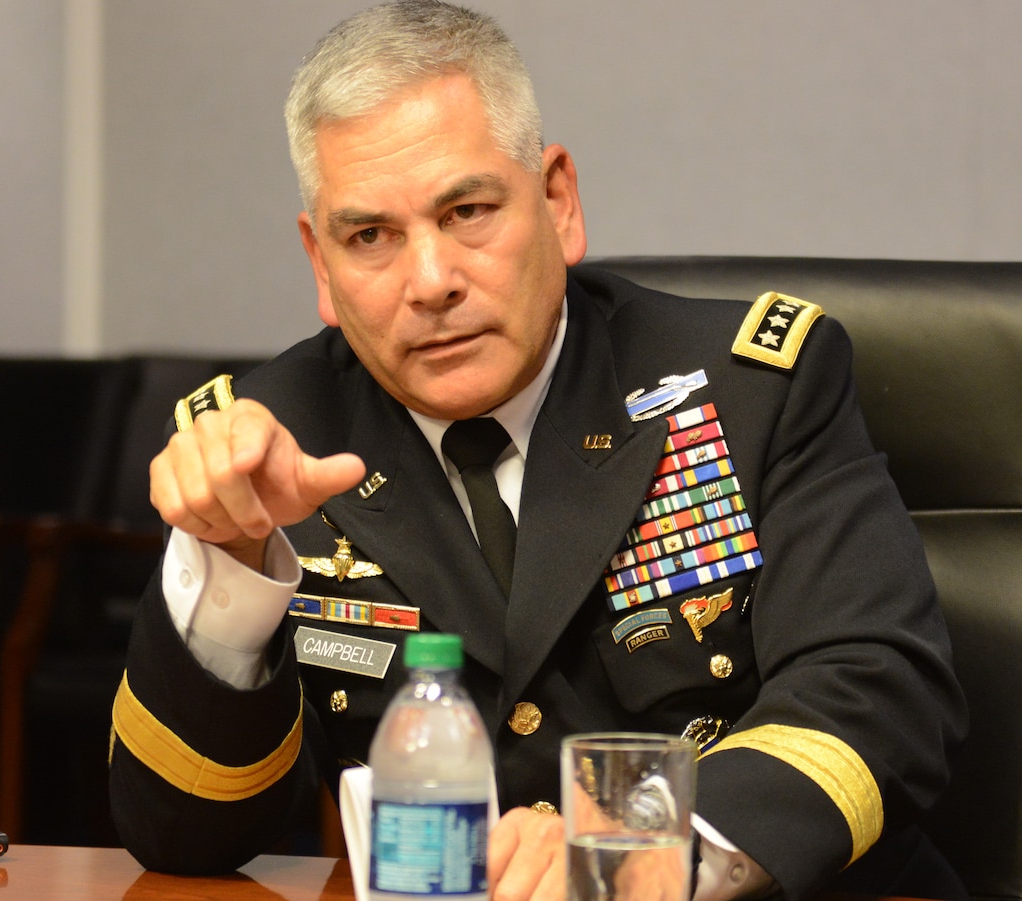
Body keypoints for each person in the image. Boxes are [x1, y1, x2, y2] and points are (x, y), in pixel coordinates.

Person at [108, 2, 969, 899]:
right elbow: (183, 837)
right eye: (370, 236)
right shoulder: (274, 442)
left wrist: (635, 846)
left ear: (557, 201)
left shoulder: (753, 389)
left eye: (469, 210)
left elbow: (881, 693)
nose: (431, 282)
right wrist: (233, 564)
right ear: (320, 264)